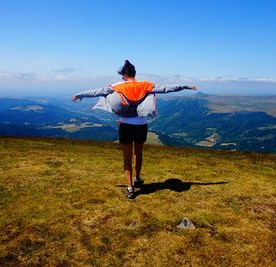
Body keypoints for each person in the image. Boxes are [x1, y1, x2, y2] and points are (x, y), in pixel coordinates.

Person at [72, 60, 197, 199]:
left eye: (122, 75)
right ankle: (137, 178)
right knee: (138, 154)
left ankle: (130, 188)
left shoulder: (116, 86)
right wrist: (185, 86)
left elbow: (96, 92)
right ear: (134, 73)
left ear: (125, 74)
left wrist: (80, 94)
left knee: (127, 157)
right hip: (141, 125)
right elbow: (166, 88)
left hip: (125, 125)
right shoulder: (145, 85)